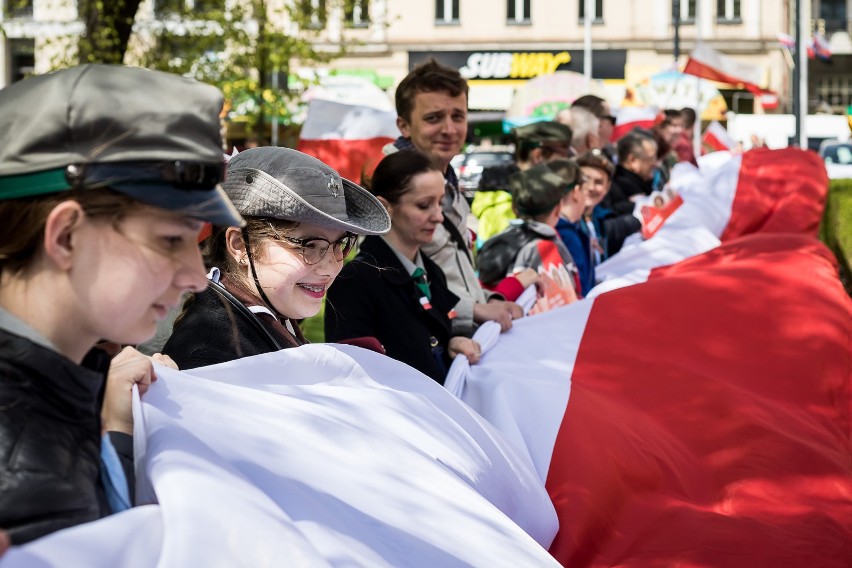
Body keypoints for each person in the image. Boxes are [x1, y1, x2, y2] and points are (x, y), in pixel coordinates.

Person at [0, 64, 243, 544]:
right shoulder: (19, 477)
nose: (197, 277)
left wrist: (115, 430)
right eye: (171, 239)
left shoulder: (68, 380)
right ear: (66, 235)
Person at [162, 147, 391, 369]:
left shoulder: (268, 315)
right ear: (239, 244)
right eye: (309, 245)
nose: (331, 266)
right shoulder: (214, 356)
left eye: (341, 243)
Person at [384, 58, 521, 337]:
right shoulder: (390, 191)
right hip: (431, 356)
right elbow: (392, 291)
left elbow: (452, 276)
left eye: (457, 116)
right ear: (404, 126)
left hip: (467, 343)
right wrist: (475, 312)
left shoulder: (449, 181)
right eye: (433, 118)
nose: (449, 129)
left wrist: (490, 302)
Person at [325, 151, 480, 385]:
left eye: (440, 203)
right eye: (423, 205)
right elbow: (352, 378)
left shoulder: (431, 272)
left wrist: (451, 343)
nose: (438, 216)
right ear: (386, 207)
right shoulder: (355, 282)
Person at [477, 164, 579, 295]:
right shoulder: (549, 245)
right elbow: (569, 294)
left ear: (514, 208)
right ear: (558, 209)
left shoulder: (498, 241)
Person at [604, 129, 658, 216]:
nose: (655, 164)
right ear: (632, 160)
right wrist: (635, 205)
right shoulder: (613, 190)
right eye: (650, 159)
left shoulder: (644, 185)